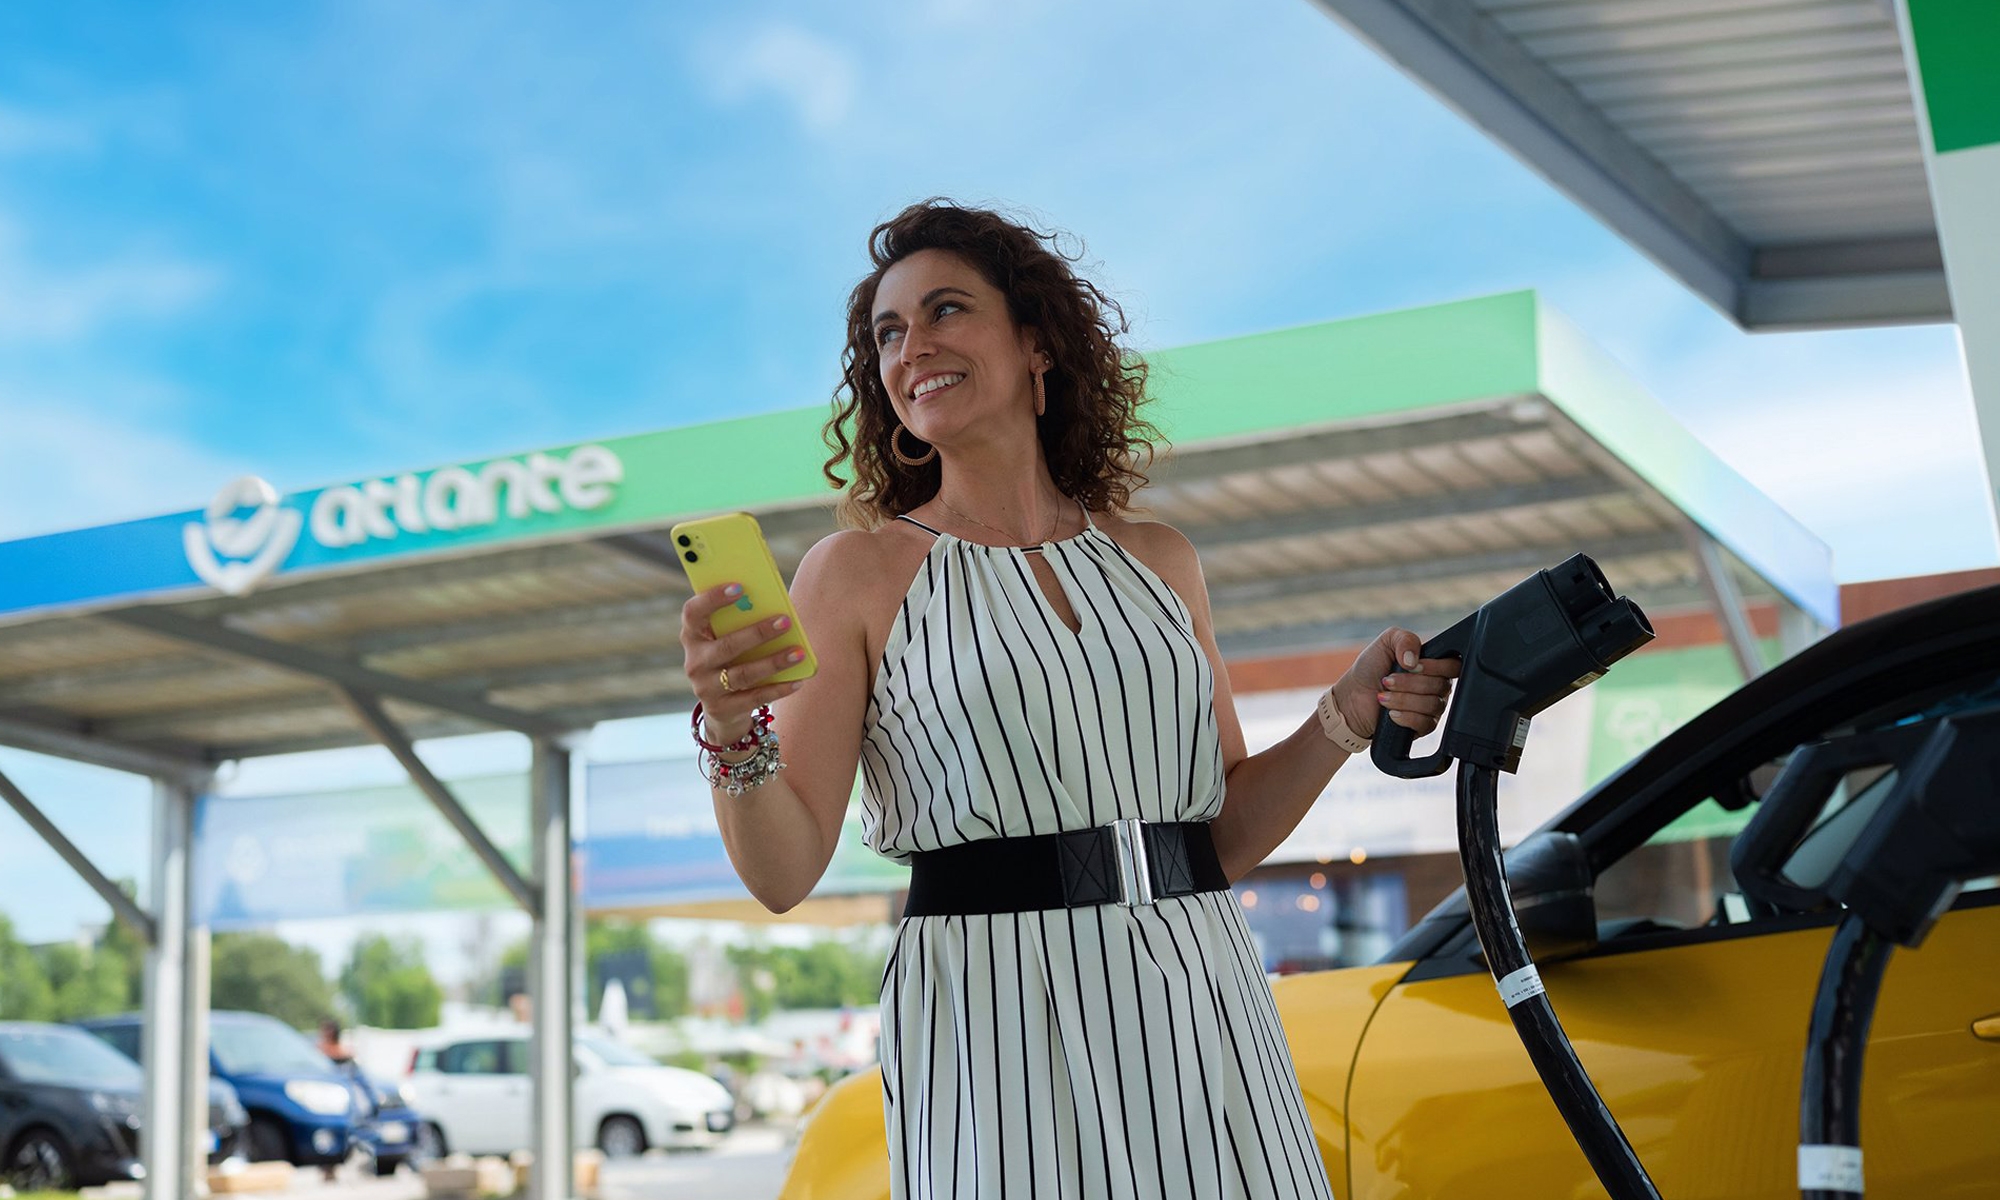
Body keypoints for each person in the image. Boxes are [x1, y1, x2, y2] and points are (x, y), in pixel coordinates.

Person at [680, 199, 1458, 1200]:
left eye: (945, 311)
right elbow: (783, 871)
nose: (910, 345)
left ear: (1035, 342)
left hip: (1198, 980)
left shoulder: (1158, 562)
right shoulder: (856, 574)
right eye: (886, 332)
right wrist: (733, 727)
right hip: (992, 1004)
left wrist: (1344, 717)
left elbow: (1216, 836)